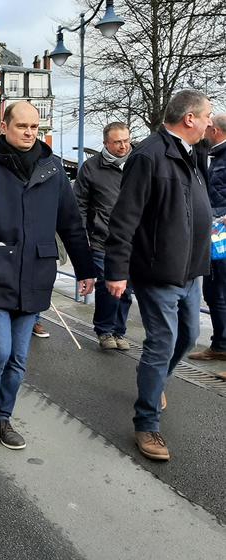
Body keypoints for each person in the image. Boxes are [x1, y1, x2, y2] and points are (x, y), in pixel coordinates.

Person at [0, 101, 95, 458]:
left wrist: (85, 268)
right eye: (22, 126)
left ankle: (3, 418)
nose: (30, 132)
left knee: (18, 357)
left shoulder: (53, 170)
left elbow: (70, 223)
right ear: (4, 126)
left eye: (35, 126)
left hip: (36, 274)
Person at [105, 90, 213, 462]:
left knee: (189, 337)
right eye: (206, 116)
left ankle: (155, 380)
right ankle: (146, 423)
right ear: (189, 119)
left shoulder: (192, 155)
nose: (210, 123)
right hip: (158, 272)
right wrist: (116, 270)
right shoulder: (149, 155)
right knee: (162, 343)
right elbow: (125, 217)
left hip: (191, 271)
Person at [75, 122, 134, 350]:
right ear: (106, 143)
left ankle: (119, 331)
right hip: (102, 238)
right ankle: (104, 330)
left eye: (126, 140)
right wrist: (81, 237)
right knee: (107, 287)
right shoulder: (91, 168)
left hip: (131, 239)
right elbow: (79, 204)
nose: (123, 146)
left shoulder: (138, 163)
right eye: (117, 142)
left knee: (126, 289)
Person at [189, 113, 226, 362]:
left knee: (218, 291)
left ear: (215, 130)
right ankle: (220, 344)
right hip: (216, 237)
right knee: (214, 291)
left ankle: (222, 346)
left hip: (220, 237)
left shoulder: (221, 158)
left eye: (208, 127)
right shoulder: (214, 156)